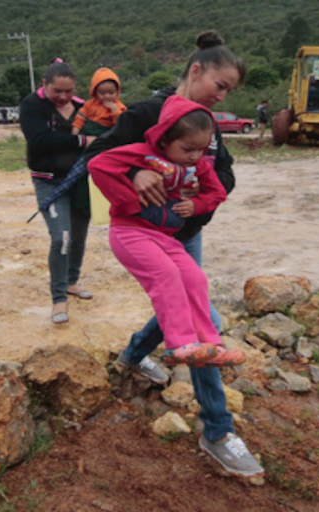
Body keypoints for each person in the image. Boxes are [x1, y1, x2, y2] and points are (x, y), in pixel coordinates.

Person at [84, 31, 264, 478]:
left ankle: (133, 355)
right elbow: (104, 154)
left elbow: (222, 174)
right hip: (143, 231)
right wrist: (138, 173)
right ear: (196, 70)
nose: (222, 96)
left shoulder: (207, 124)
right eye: (220, 86)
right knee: (206, 324)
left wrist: (202, 196)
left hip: (185, 233)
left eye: (230, 92)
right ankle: (218, 431)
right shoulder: (147, 112)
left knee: (187, 300)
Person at [89, 95, 245, 367]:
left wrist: (197, 204)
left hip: (164, 237)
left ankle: (210, 345)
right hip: (130, 232)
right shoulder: (141, 153)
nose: (195, 156)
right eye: (187, 149)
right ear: (164, 139)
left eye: (201, 149)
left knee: (195, 278)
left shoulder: (197, 165)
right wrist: (131, 183)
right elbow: (98, 164)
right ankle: (179, 343)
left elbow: (217, 191)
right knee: (167, 275)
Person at [20, 59, 96, 324]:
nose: (63, 97)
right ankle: (58, 299)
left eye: (68, 91)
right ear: (44, 85)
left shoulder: (82, 107)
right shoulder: (32, 105)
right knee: (60, 237)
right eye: (57, 91)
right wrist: (82, 141)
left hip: (81, 181)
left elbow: (106, 131)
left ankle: (71, 281)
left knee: (78, 236)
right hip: (49, 181)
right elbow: (39, 141)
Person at [72, 67, 127, 137]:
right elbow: (80, 118)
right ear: (95, 93)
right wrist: (74, 135)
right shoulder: (89, 104)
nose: (107, 96)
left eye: (111, 93)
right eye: (102, 93)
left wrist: (115, 111)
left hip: (105, 137)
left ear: (117, 92)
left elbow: (122, 126)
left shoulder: (120, 107)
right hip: (86, 134)